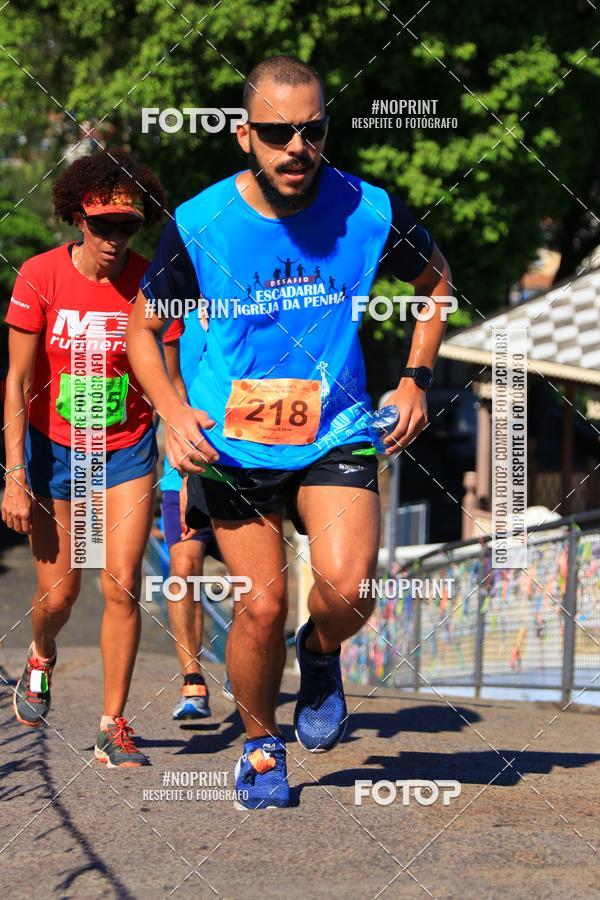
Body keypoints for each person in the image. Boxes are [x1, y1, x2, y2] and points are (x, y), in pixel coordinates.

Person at [126, 55, 452, 807]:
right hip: (234, 442)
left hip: (336, 426)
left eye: (312, 130)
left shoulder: (368, 209)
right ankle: (261, 749)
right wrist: (172, 410)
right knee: (262, 604)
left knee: (350, 587)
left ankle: (321, 647)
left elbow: (436, 283)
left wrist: (415, 379)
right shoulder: (202, 224)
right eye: (277, 133)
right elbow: (143, 329)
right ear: (244, 135)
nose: (296, 147)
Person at [2, 150, 181, 767]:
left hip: (126, 451)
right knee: (59, 597)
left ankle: (112, 726)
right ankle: (41, 655)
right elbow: (16, 381)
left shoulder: (151, 284)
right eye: (102, 225)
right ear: (78, 218)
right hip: (55, 454)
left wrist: (182, 455)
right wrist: (14, 475)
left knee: (122, 583)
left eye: (126, 227)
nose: (113, 239)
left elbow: (169, 383)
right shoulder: (40, 276)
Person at [161, 311, 230, 719]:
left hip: (244, 468)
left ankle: (247, 658)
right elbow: (168, 392)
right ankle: (193, 681)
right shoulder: (174, 320)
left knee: (257, 578)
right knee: (183, 567)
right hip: (183, 469)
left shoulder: (247, 308)